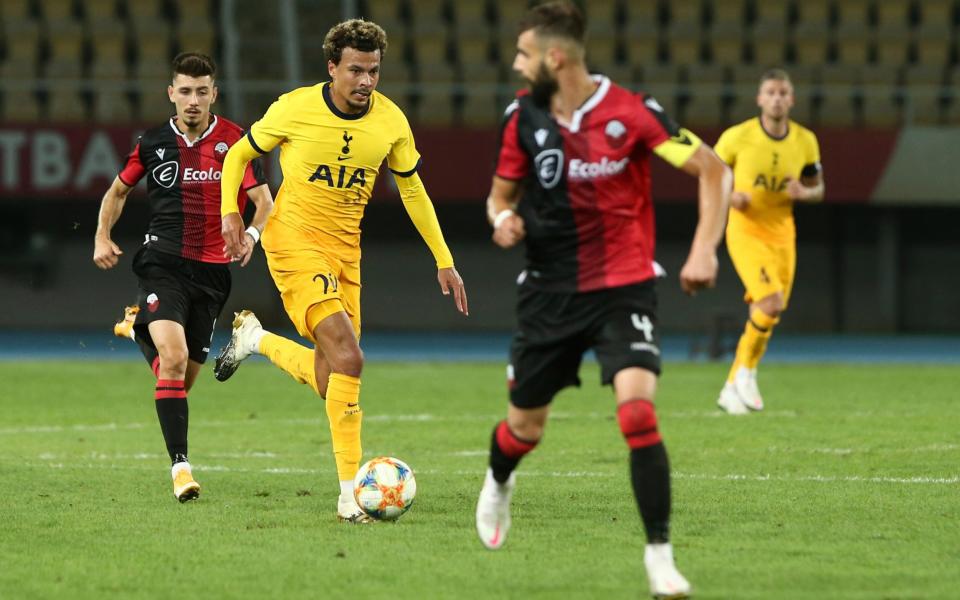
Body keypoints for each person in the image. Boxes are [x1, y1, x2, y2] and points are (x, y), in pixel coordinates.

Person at [473, 3, 730, 598]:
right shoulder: (522, 117)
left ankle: (660, 557)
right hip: (549, 292)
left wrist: (704, 250)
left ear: (554, 58)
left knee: (637, 413)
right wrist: (502, 219)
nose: (516, 63)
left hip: (624, 285)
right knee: (524, 429)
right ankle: (499, 479)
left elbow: (712, 170)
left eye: (524, 54)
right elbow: (498, 197)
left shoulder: (633, 112)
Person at [214, 19, 468, 523]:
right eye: (355, 70)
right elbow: (241, 152)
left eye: (373, 71)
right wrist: (230, 212)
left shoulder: (391, 122)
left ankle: (256, 340)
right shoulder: (295, 107)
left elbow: (413, 190)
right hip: (293, 243)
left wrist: (444, 258)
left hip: (346, 254)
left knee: (335, 377)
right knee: (351, 357)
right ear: (332, 68)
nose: (366, 81)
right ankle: (350, 494)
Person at [93, 52, 273, 502]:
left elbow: (265, 202)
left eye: (202, 91)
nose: (193, 100)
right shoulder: (153, 142)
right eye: (185, 91)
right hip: (162, 264)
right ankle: (181, 469)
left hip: (213, 275)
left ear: (214, 93)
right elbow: (118, 191)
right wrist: (101, 235)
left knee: (180, 381)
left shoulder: (235, 141)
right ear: (171, 94)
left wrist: (251, 234)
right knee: (171, 361)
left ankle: (138, 326)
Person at [714, 69, 824, 415]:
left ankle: (732, 386)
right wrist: (731, 196)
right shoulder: (737, 137)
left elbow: (819, 188)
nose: (777, 98)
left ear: (791, 99)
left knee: (767, 311)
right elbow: (711, 179)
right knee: (771, 302)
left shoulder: (805, 140)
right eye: (770, 93)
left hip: (783, 233)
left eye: (783, 93)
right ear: (759, 99)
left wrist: (805, 193)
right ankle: (747, 373)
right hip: (746, 230)